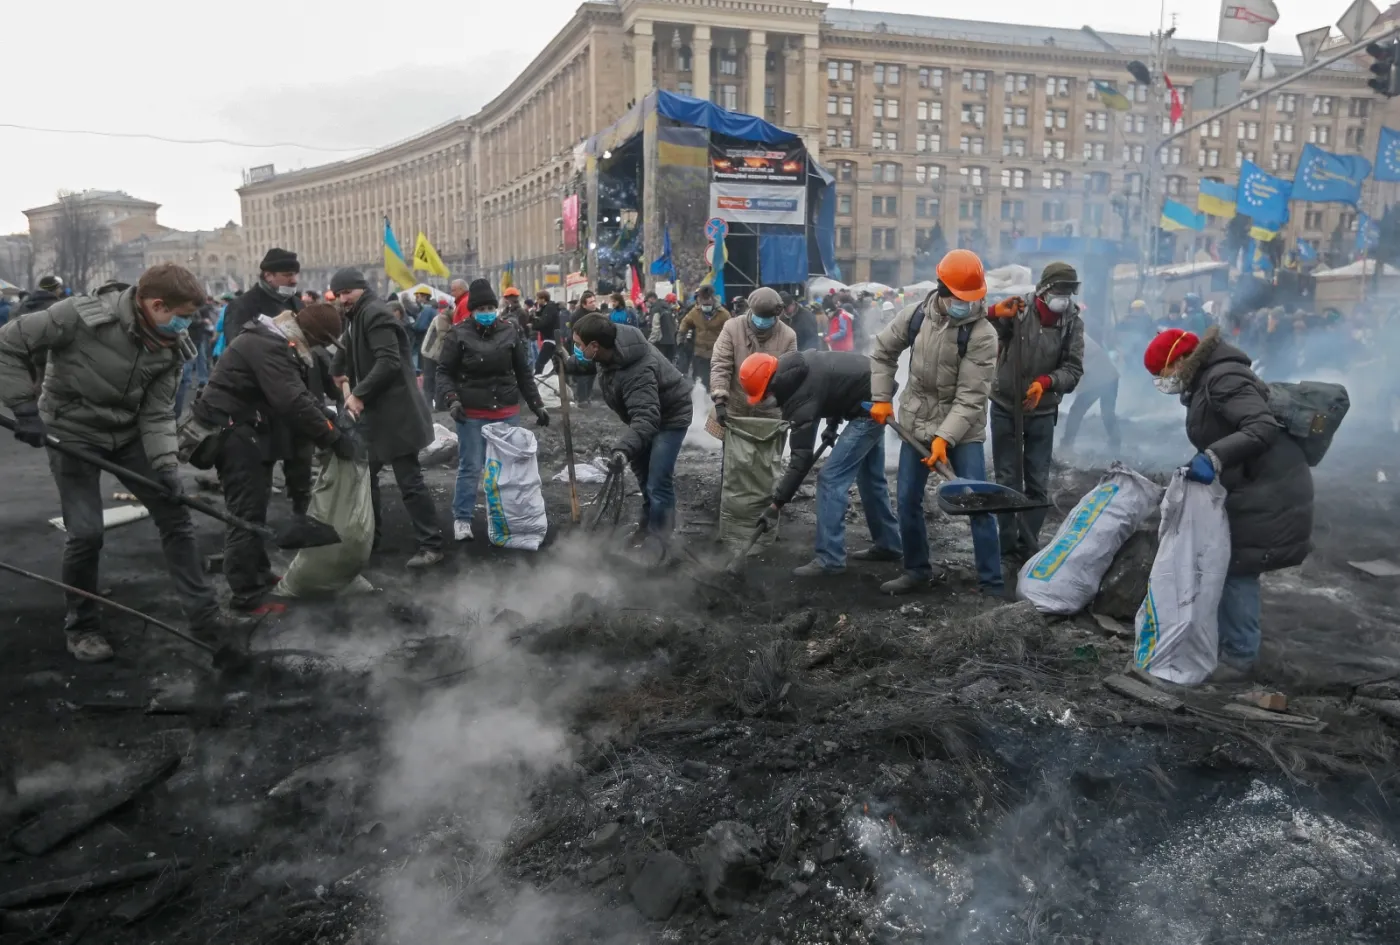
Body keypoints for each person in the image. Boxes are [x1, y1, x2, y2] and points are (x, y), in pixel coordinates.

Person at [0, 264, 255, 662]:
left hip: (129, 434)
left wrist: (166, 465)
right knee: (85, 534)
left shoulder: (173, 345)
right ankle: (82, 626)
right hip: (71, 432)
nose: (187, 324)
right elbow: (8, 344)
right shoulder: (77, 316)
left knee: (175, 514)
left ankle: (205, 619)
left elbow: (156, 413)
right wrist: (23, 409)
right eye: (182, 315)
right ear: (155, 304)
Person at [1143, 326, 1313, 679]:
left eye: (1162, 373)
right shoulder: (1207, 379)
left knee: (1238, 567)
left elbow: (1261, 426)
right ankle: (1228, 644)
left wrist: (1214, 458)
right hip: (1252, 483)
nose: (1163, 382)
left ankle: (1239, 657)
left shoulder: (1223, 378)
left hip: (1269, 488)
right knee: (1228, 563)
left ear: (1179, 361)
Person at [196, 302, 353, 613]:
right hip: (234, 436)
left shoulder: (279, 340)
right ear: (311, 333)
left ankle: (259, 573)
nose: (321, 348)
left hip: (251, 433)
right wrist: (332, 437)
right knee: (245, 513)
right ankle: (246, 596)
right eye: (322, 341)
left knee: (256, 504)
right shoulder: (268, 346)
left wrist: (331, 422)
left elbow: (301, 395)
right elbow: (291, 400)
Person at [868, 249, 1006, 596]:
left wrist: (945, 438)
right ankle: (916, 570)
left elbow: (971, 398)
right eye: (961, 298)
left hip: (963, 430)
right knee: (907, 499)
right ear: (942, 290)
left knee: (978, 501)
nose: (968, 305)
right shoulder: (916, 316)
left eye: (973, 298)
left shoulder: (983, 334)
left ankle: (991, 581)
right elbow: (883, 352)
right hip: (915, 421)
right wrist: (882, 397)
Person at [741, 349, 901, 577]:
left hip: (871, 407)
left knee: (830, 479)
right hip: (873, 393)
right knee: (870, 479)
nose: (765, 402)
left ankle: (830, 558)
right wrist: (832, 427)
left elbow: (801, 459)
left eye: (763, 396)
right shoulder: (797, 370)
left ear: (771, 385)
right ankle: (889, 544)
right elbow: (836, 389)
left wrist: (776, 503)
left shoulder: (798, 396)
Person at [329, 268, 444, 568]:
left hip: (397, 415)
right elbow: (346, 346)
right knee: (366, 477)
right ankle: (371, 540)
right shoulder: (356, 314)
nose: (343, 299)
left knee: (409, 480)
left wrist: (358, 394)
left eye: (347, 292)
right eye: (339, 294)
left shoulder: (375, 314)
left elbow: (388, 362)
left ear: (361, 288)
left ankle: (431, 545)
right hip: (377, 417)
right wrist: (336, 370)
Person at [436, 279, 548, 542]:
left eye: (490, 307)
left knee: (508, 469)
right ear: (472, 310)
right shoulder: (458, 334)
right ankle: (462, 518)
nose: (486, 312)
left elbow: (523, 372)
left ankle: (506, 516)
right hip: (471, 411)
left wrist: (537, 404)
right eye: (480, 308)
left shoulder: (510, 331)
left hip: (506, 409)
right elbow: (444, 372)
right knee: (471, 466)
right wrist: (452, 399)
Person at [567, 311, 693, 544]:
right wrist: (566, 362)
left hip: (670, 417)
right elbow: (589, 364)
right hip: (643, 418)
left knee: (657, 480)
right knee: (644, 477)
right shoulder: (608, 351)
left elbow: (647, 419)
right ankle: (647, 527)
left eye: (578, 345)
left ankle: (661, 541)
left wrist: (623, 449)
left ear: (594, 346)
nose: (576, 348)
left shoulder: (637, 370)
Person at [987, 261, 1084, 564]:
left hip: (1042, 412)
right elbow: (983, 329)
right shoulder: (1020, 310)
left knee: (1037, 483)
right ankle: (1005, 547)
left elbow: (1073, 369)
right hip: (1005, 405)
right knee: (1006, 479)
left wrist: (1046, 382)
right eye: (1059, 290)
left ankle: (1027, 546)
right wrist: (994, 312)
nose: (1063, 297)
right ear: (1043, 289)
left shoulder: (1072, 322)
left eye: (1069, 291)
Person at [710, 287, 796, 424]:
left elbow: (790, 374)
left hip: (769, 414)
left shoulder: (788, 336)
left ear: (776, 314)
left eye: (767, 318)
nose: (762, 321)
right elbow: (721, 364)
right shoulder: (732, 327)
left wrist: (781, 401)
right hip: (734, 409)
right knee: (732, 446)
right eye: (759, 316)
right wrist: (720, 399)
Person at [1060, 332, 1121, 454]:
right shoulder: (1077, 333)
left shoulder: (1071, 339)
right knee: (1107, 412)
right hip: (1110, 376)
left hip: (1098, 379)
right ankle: (1115, 443)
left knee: (1076, 411)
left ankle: (1067, 444)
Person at [222, 248, 301, 341]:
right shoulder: (242, 306)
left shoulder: (298, 303)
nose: (294, 281)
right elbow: (237, 347)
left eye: (295, 275)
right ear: (268, 276)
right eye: (287, 275)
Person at [677, 285, 730, 390]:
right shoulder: (695, 312)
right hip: (700, 353)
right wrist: (681, 335)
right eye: (703, 303)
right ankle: (702, 402)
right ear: (700, 301)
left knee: (717, 380)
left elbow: (732, 328)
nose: (706, 305)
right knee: (700, 380)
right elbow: (685, 322)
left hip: (717, 353)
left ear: (713, 300)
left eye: (708, 303)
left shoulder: (723, 314)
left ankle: (716, 401)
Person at [567, 291, 600, 404]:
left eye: (594, 301)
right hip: (581, 347)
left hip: (595, 347)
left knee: (592, 372)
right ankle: (581, 398)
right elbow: (574, 332)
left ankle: (588, 394)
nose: (593, 304)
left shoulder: (598, 313)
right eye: (590, 302)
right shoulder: (577, 315)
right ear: (584, 304)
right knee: (583, 372)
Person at [533, 290, 563, 374]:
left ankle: (537, 380)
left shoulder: (550, 308)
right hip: (551, 339)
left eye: (538, 299)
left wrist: (534, 325)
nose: (537, 301)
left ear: (543, 299)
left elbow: (544, 323)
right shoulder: (546, 308)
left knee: (539, 363)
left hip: (550, 339)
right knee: (554, 363)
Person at [648, 292, 679, 364]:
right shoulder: (670, 309)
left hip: (660, 343)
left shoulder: (656, 308)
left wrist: (650, 342)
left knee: (660, 366)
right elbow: (675, 325)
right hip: (671, 342)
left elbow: (656, 328)